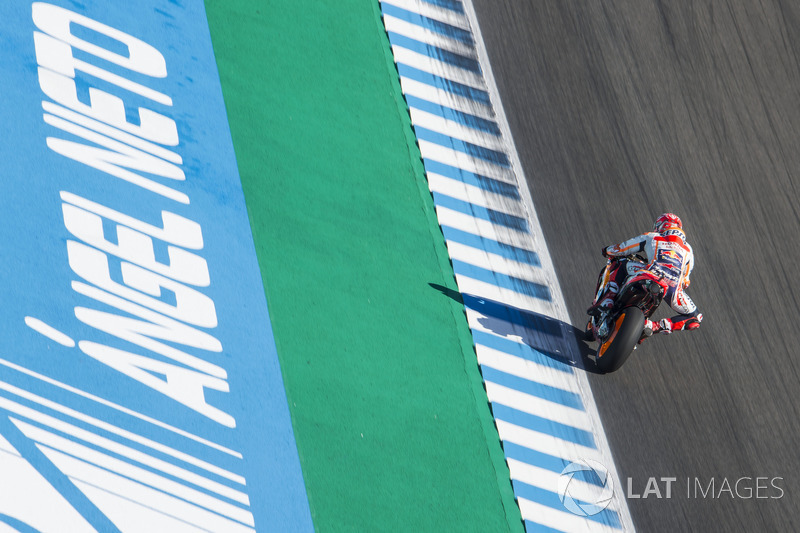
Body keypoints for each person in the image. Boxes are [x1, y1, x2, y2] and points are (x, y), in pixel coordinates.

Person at [587, 213, 702, 339]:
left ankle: (609, 298)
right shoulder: (688, 250)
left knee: (620, 263)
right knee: (695, 317)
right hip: (673, 288)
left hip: (651, 273)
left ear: (660, 226)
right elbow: (686, 281)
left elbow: (623, 248)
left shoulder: (653, 236)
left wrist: (608, 250)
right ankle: (654, 326)